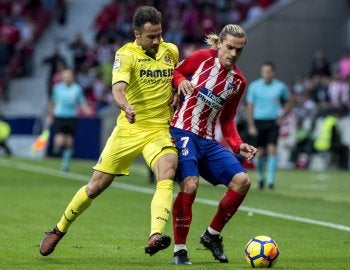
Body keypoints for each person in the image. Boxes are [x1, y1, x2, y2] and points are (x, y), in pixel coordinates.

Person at [39, 6, 179, 257]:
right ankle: (59, 229)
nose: (158, 41)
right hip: (129, 128)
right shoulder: (126, 55)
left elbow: (176, 79)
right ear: (137, 35)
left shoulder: (171, 51)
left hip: (158, 129)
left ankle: (155, 234)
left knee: (167, 171)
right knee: (95, 187)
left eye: (160, 34)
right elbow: (118, 89)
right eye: (151, 36)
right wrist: (125, 105)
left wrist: (177, 92)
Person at [170, 24, 257, 265]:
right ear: (219, 44)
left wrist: (238, 144)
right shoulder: (201, 58)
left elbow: (228, 118)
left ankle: (212, 235)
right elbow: (176, 73)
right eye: (229, 47)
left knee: (242, 182)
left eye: (238, 50)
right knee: (191, 183)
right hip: (181, 131)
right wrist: (179, 83)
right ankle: (179, 250)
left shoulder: (238, 81)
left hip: (207, 140)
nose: (232, 53)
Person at [246, 61, 291, 190]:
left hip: (272, 122)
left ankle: (271, 182)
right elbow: (250, 107)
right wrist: (251, 125)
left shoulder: (280, 87)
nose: (266, 74)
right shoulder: (254, 86)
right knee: (259, 153)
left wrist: (282, 116)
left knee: (272, 150)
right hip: (258, 121)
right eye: (264, 71)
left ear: (273, 72)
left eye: (268, 71)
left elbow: (289, 101)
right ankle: (261, 178)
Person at [47, 69, 92, 172]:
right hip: (60, 116)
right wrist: (50, 115)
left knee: (69, 142)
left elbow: (82, 102)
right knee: (59, 140)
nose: (67, 78)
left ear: (72, 77)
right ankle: (57, 147)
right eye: (65, 76)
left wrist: (87, 110)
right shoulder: (57, 88)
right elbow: (53, 102)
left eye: (69, 76)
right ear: (62, 77)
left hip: (71, 117)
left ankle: (65, 165)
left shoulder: (77, 88)